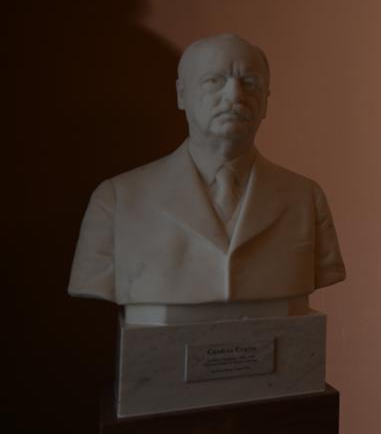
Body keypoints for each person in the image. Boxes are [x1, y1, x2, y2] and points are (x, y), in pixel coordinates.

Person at [68, 34, 345, 315]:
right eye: (214, 81)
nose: (235, 95)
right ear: (181, 94)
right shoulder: (117, 200)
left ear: (266, 101)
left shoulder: (305, 197)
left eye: (250, 83)